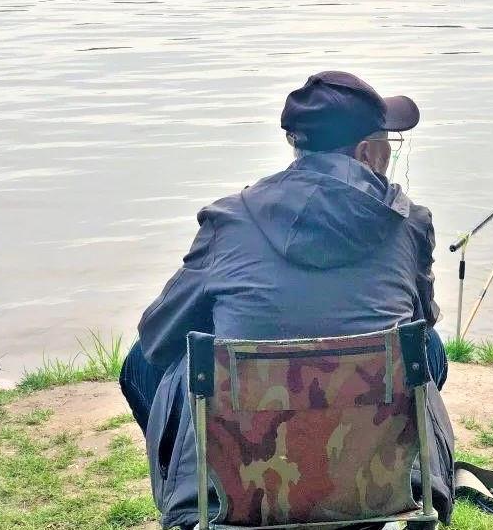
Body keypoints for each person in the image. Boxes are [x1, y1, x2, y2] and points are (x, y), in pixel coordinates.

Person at [119, 71, 453, 529]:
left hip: (244, 472)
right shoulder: (410, 223)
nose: (391, 153)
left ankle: (212, 488)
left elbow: (157, 339)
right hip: (379, 470)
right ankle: (383, 484)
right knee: (425, 349)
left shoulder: (229, 220)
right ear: (367, 153)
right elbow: (422, 319)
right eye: (388, 140)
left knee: (145, 359)